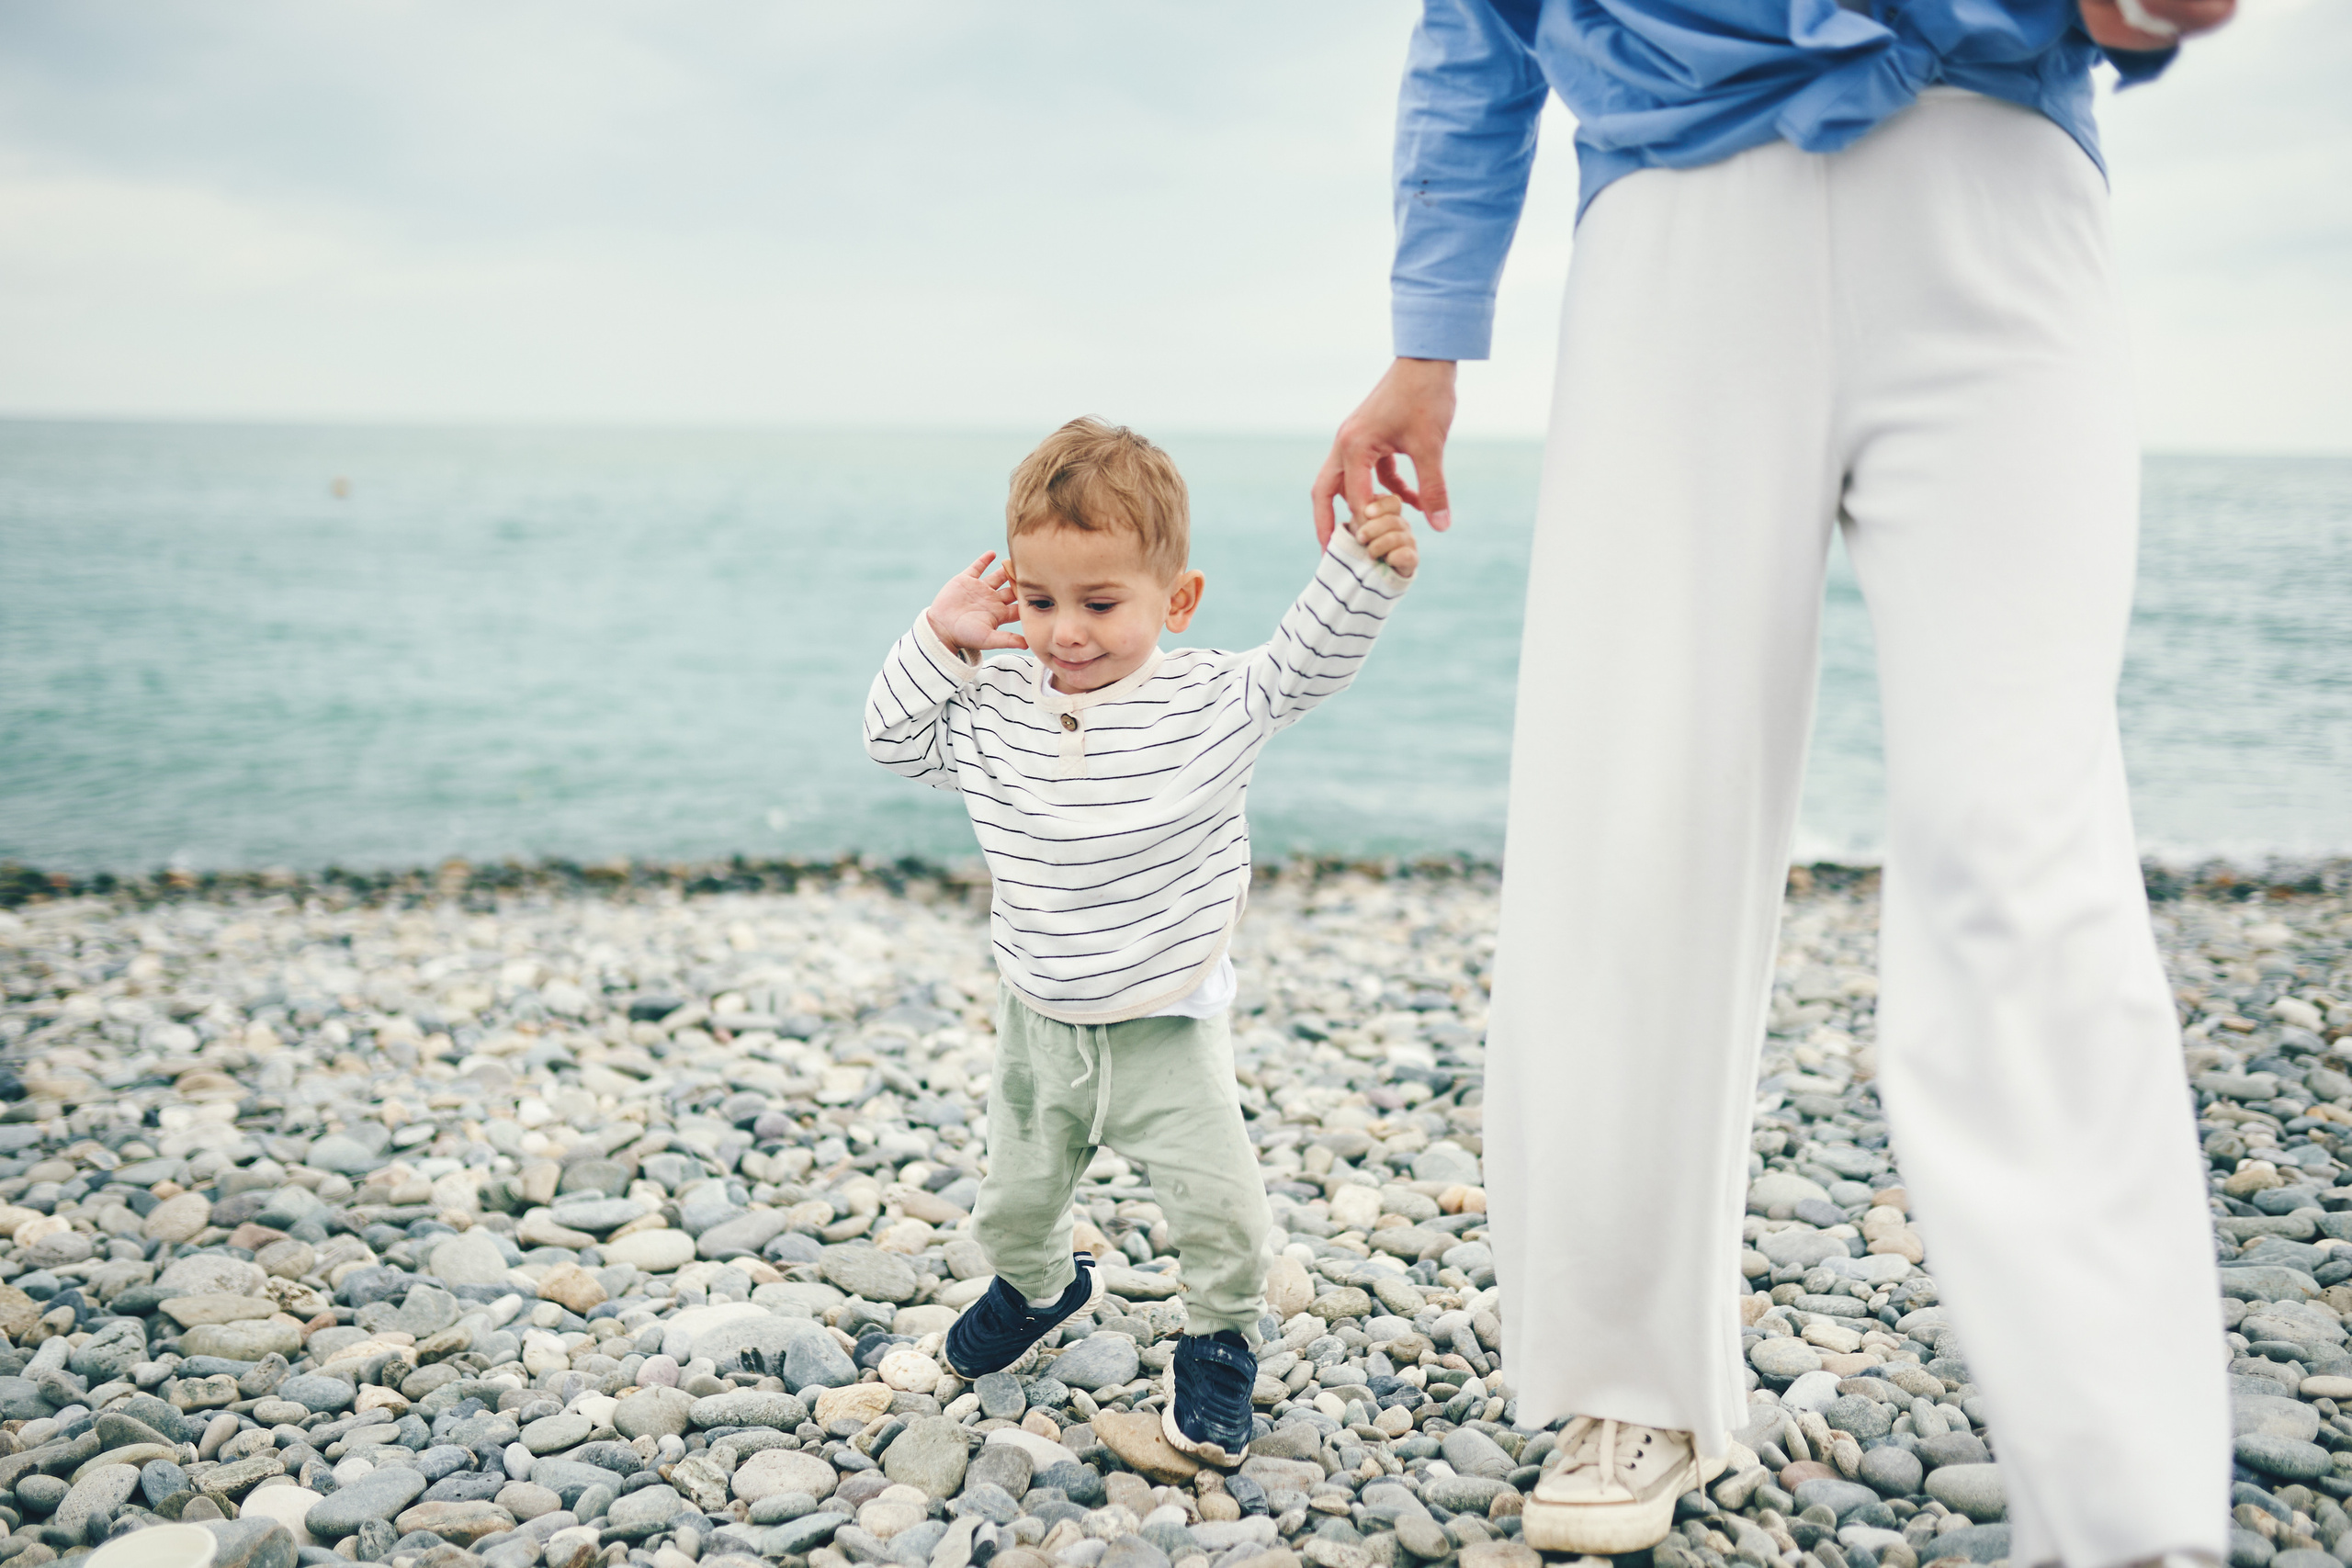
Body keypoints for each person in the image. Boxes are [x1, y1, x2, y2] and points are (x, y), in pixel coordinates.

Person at [1313, 0, 2238, 1557]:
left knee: (2022, 842)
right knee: (1635, 822)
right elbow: (1478, 17)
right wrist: (1430, 330)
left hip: (1993, 175)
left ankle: (2134, 1513)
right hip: (1676, 211)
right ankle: (1631, 1376)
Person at [865, 417, 1419, 1461]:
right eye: (1038, 601)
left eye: (1100, 602)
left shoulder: (1209, 699)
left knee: (1222, 1213)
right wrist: (940, 638)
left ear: (1176, 600)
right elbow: (892, 740)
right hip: (1040, 1025)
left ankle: (1217, 1347)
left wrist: (1360, 565)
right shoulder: (994, 706)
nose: (1065, 630)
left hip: (1166, 1024)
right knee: (1013, 1201)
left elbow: (1303, 663)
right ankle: (1038, 1291)